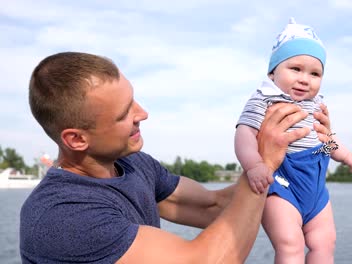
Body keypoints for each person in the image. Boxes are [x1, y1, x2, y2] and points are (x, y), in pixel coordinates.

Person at [20, 51, 333, 263]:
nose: (143, 114)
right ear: (76, 139)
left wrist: (306, 155)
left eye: (134, 100)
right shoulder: (63, 216)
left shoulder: (134, 165)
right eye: (123, 113)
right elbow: (205, 260)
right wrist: (264, 161)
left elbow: (214, 206)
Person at [235, 18, 352, 263]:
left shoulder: (317, 104)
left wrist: (345, 155)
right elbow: (244, 133)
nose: (305, 79)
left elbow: (325, 139)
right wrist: (254, 165)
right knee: (290, 244)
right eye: (295, 69)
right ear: (273, 72)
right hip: (283, 183)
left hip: (316, 187)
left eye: (315, 73)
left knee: (325, 243)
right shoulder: (265, 98)